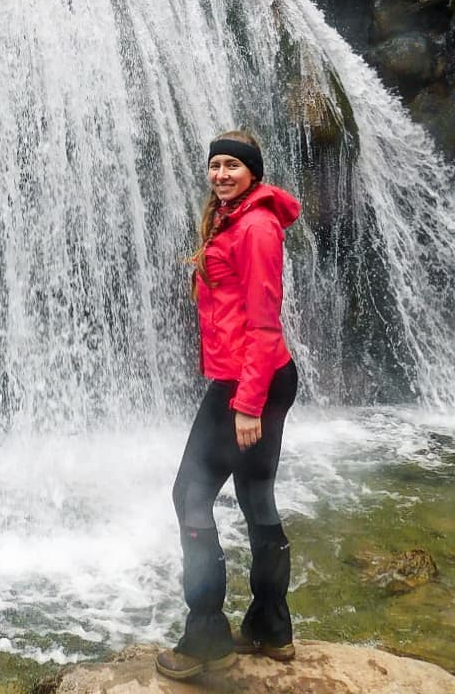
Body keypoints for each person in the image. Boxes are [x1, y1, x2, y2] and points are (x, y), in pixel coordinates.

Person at [156, 130, 301, 682]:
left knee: (190, 496)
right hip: (261, 378)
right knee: (255, 493)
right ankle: (270, 627)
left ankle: (206, 640)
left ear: (253, 174)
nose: (220, 174)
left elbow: (263, 323)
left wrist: (246, 404)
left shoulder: (257, 228)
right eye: (215, 165)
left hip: (248, 383)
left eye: (232, 166)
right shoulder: (233, 219)